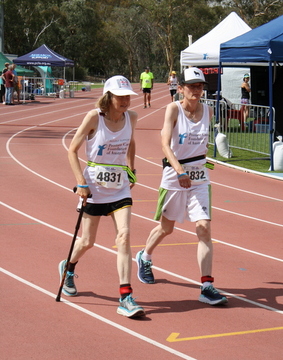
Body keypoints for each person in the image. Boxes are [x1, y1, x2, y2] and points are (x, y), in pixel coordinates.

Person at [136, 67, 228, 306]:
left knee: (204, 228)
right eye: (192, 86)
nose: (197, 91)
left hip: (199, 177)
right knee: (167, 229)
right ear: (181, 88)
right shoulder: (173, 109)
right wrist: (180, 171)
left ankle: (207, 285)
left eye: (200, 87)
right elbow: (165, 144)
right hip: (175, 176)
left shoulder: (208, 111)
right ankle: (145, 257)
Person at [59, 75, 145, 318]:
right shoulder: (94, 117)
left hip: (120, 187)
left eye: (128, 96)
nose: (125, 101)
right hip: (94, 187)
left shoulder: (133, 117)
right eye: (120, 97)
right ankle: (68, 266)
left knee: (125, 236)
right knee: (87, 242)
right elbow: (73, 150)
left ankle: (126, 296)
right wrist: (81, 183)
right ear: (109, 97)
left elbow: (131, 143)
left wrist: (131, 169)